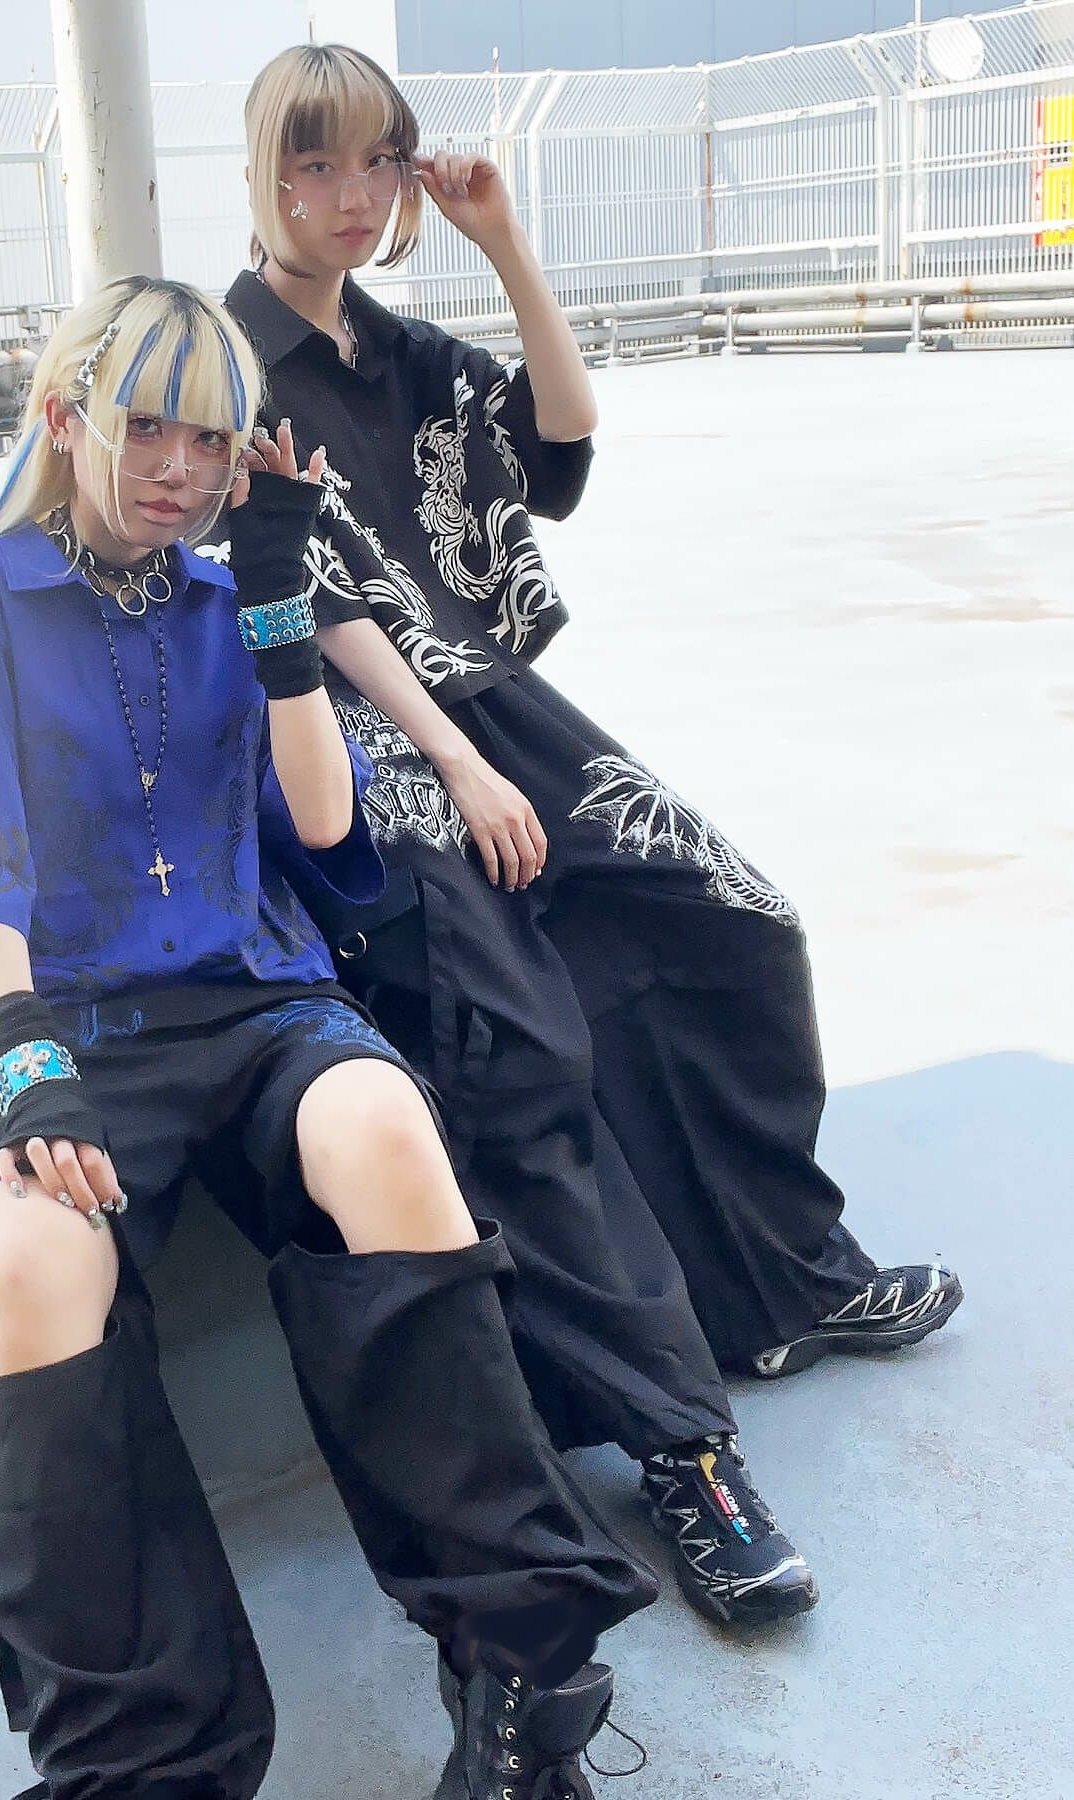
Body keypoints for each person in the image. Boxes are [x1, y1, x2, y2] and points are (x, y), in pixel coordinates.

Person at [0, 275, 658, 1800]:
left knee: (385, 1127)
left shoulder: (235, 598)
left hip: (254, 994)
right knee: (23, 1252)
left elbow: (320, 822)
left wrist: (285, 611)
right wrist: (17, 1043)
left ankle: (521, 1675)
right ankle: (145, 1759)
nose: (181, 467)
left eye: (213, 439)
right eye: (149, 427)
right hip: (71, 1018)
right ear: (66, 419)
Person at [214, 42, 964, 1626]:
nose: (348, 198)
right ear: (263, 174)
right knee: (519, 1048)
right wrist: (456, 764)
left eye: (376, 165)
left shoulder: (391, 346)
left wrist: (503, 245)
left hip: (489, 712)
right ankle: (687, 1457)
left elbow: (555, 454)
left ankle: (786, 1284)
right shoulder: (233, 360)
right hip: (356, 741)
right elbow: (310, 599)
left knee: (729, 913)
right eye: (313, 166)